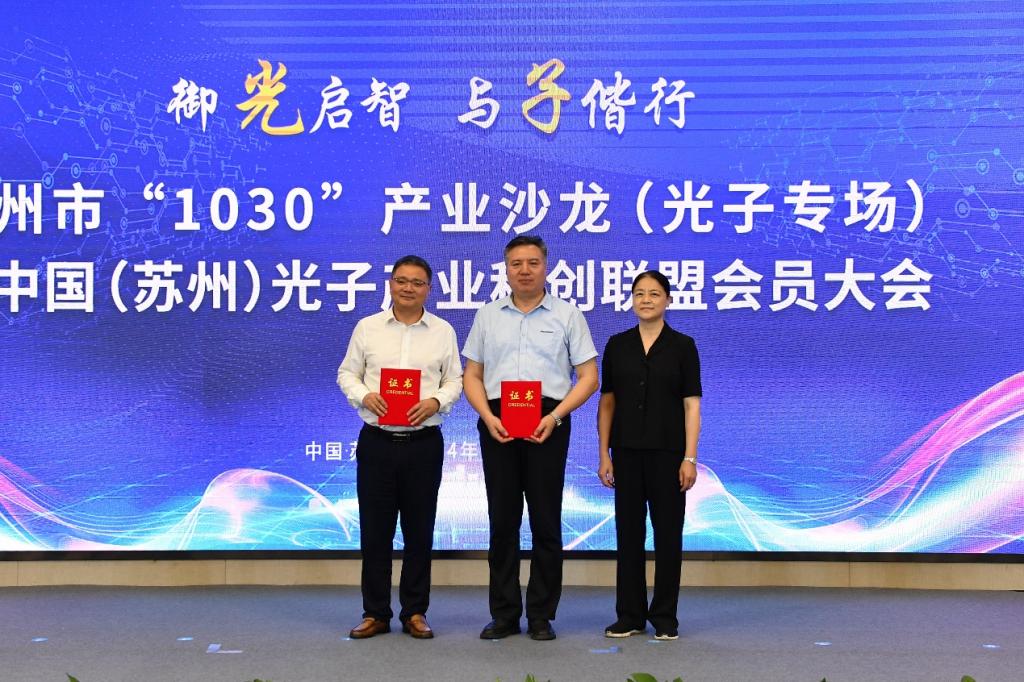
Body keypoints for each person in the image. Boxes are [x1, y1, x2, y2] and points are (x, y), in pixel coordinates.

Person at [462, 235, 599, 641]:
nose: (525, 270)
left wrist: (555, 416)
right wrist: (487, 416)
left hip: (548, 422)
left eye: (533, 263)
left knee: (546, 521)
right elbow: (472, 375)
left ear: (546, 267)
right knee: (502, 521)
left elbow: (589, 377)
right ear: (506, 269)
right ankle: (504, 614)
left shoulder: (568, 315)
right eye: (516, 263)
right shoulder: (487, 316)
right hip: (498, 423)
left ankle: (541, 614)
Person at [337, 255, 463, 640]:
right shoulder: (368, 328)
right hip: (377, 442)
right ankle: (375, 612)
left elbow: (455, 380)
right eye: (401, 280)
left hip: (423, 444)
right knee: (375, 531)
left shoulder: (442, 331)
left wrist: (436, 401)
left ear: (428, 289)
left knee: (419, 531)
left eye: (417, 282)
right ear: (390, 284)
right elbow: (347, 373)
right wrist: (364, 395)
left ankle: (415, 612)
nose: (408, 288)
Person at [597, 269, 702, 642]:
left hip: (669, 455)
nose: (646, 299)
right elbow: (607, 403)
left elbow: (691, 405)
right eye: (639, 293)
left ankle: (665, 616)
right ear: (631, 300)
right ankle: (629, 615)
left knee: (668, 536)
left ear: (668, 300)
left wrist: (690, 458)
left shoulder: (683, 346)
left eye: (654, 293)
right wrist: (604, 454)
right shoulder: (617, 345)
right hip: (625, 453)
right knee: (628, 536)